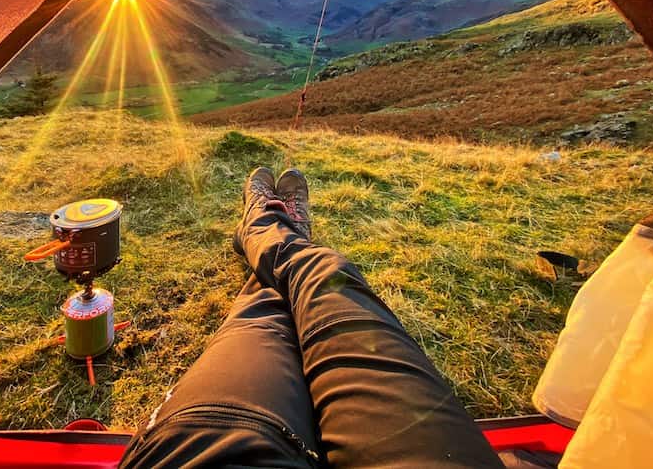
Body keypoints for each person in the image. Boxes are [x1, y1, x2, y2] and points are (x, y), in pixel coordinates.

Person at [120, 167, 504, 468]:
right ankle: (281, 234)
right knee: (326, 275)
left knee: (274, 301)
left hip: (205, 450)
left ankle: (262, 225)